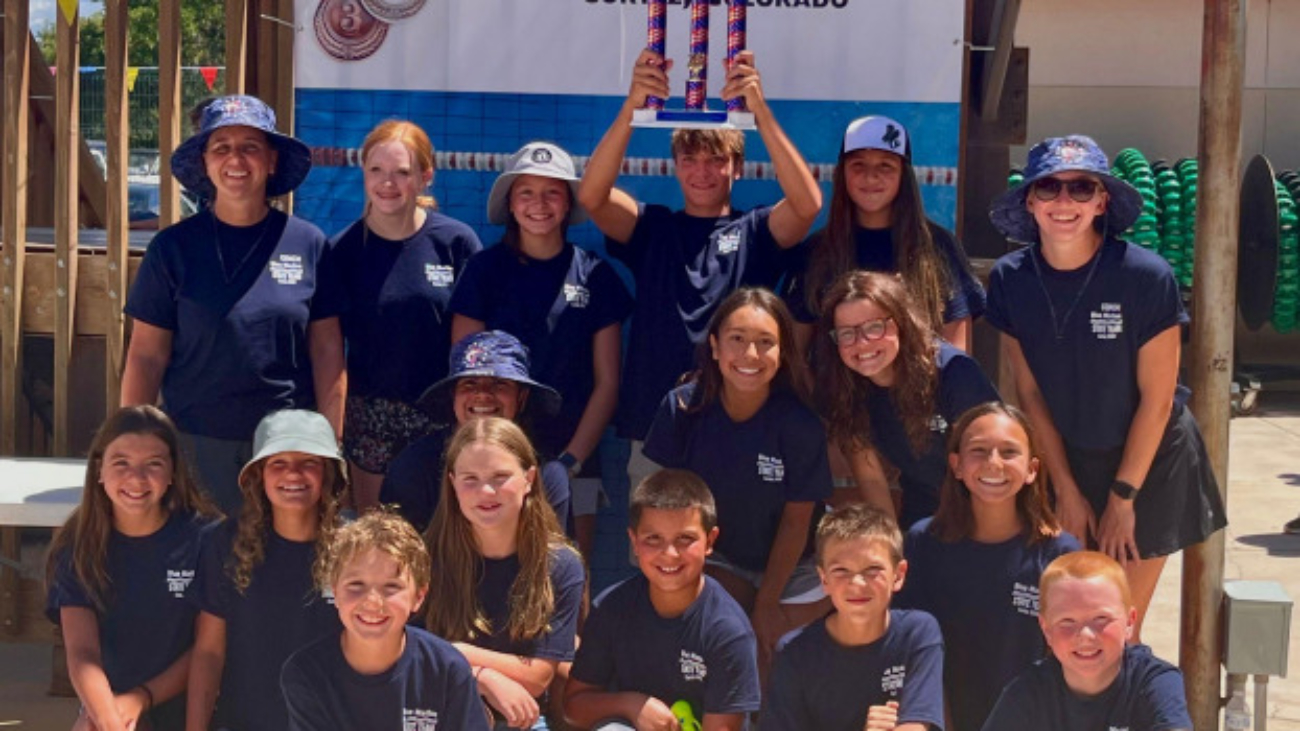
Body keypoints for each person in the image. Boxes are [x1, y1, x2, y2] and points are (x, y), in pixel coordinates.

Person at [986, 135, 1226, 639]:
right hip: (1067, 457)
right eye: (1049, 188)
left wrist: (1122, 499)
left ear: (1102, 201)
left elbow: (1158, 401)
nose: (1064, 202)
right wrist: (1066, 488)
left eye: (1080, 188)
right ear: (1030, 201)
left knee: (1113, 626)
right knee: (1062, 623)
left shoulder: (1145, 275)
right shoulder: (1010, 279)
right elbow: (1029, 395)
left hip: (1149, 463)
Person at [578, 47, 822, 496]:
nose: (702, 172)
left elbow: (808, 204)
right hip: (654, 420)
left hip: (738, 423)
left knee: (729, 551)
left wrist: (759, 111)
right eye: (690, 160)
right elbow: (592, 196)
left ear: (737, 168)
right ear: (675, 167)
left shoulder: (756, 231)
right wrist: (632, 108)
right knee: (659, 556)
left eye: (716, 160)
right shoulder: (652, 227)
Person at [122, 95, 346, 515]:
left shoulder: (309, 243)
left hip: (286, 449)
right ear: (205, 163)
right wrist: (132, 440)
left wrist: (330, 443)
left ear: (272, 161)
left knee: (282, 571)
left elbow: (328, 351)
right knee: (202, 566)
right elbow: (147, 355)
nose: (236, 159)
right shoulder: (173, 248)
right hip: (196, 444)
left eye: (250, 147)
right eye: (221, 147)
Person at [451, 141, 632, 556]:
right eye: (526, 192)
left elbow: (607, 383)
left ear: (568, 203)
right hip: (492, 462)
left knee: (572, 573)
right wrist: (480, 458)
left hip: (574, 456)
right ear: (510, 203)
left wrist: (570, 462)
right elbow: (463, 376)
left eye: (552, 192)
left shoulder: (595, 275)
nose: (539, 204)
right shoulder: (484, 271)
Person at [643, 287, 832, 664]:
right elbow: (670, 508)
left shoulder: (799, 422)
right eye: (737, 339)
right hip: (721, 558)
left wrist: (767, 604)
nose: (750, 354)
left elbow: (798, 521)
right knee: (726, 632)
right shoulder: (683, 407)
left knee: (773, 649)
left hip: (796, 565)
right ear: (714, 346)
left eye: (766, 342)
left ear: (782, 354)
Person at [896, 402, 1080, 731]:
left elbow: (1072, 663)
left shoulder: (1058, 553)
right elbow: (913, 650)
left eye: (1009, 452)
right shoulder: (924, 542)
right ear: (956, 465)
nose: (993, 463)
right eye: (978, 450)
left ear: (1032, 469)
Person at [334, 119, 482, 510]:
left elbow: (471, 346)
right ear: (363, 173)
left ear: (425, 176)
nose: (388, 183)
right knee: (376, 535)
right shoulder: (342, 252)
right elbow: (328, 352)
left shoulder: (456, 242)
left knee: (441, 540)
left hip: (440, 415)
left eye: (402, 172)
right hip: (370, 419)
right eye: (377, 171)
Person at [45, 405, 219, 731]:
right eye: (121, 463)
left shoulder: (205, 539)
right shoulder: (78, 546)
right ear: (99, 469)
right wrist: (106, 715)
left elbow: (208, 650)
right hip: (110, 699)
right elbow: (82, 653)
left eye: (153, 464)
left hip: (189, 701)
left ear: (173, 473)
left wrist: (141, 698)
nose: (136, 478)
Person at [563, 469, 760, 731]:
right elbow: (573, 707)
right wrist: (631, 705)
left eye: (685, 539)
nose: (669, 554)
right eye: (653, 539)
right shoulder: (611, 608)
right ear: (633, 541)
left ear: (710, 541)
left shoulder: (727, 631)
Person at [186, 410, 347, 731]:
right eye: (279, 463)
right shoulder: (224, 542)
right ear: (258, 475)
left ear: (328, 474)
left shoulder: (355, 544)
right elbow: (209, 652)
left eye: (309, 463)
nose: (293, 474)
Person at [424, 417, 585, 730]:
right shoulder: (424, 558)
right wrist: (482, 677)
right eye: (470, 478)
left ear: (529, 479)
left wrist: (453, 651)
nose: (486, 491)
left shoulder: (561, 565)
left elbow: (538, 677)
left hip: (522, 719)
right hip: (436, 713)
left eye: (500, 476)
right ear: (452, 483)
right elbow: (404, 653)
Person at [784, 115, 984, 352]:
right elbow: (797, 356)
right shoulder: (816, 251)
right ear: (842, 173)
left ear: (904, 175)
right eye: (858, 165)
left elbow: (957, 356)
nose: (871, 176)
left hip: (917, 388)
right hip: (835, 389)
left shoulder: (938, 246)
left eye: (885, 166)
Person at [815, 271, 999, 528]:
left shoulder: (954, 373)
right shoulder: (846, 388)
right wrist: (890, 550)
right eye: (847, 333)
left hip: (985, 507)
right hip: (923, 508)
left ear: (901, 322)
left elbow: (992, 462)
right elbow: (871, 479)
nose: (862, 343)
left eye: (874, 327)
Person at [279, 511, 490, 730]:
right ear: (335, 591)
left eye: (391, 587)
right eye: (356, 585)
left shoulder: (447, 669)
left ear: (419, 597)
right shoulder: (307, 673)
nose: (372, 602)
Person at [760, 504, 944, 731]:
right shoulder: (794, 652)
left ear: (898, 575)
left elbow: (918, 725)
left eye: (872, 569)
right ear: (823, 578)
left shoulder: (917, 634)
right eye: (841, 571)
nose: (857, 583)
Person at [381, 330, 569, 533]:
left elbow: (556, 559)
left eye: (499, 384)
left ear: (521, 397)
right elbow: (395, 556)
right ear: (453, 395)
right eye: (469, 383)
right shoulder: (414, 467)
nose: (482, 394)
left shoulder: (547, 473)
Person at [980, 551, 1192, 731]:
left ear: (1129, 622)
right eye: (1067, 621)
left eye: (1101, 619)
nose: (1086, 635)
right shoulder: (1026, 694)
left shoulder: (1155, 682)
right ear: (1046, 630)